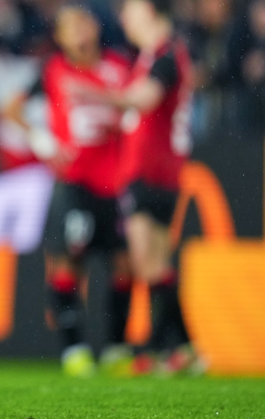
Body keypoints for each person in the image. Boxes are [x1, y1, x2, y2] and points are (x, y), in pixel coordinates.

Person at [4, 4, 133, 377]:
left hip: (114, 182)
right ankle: (74, 350)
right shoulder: (52, 70)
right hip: (74, 181)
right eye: (68, 27)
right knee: (67, 264)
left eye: (82, 23)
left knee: (123, 265)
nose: (78, 32)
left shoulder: (119, 67)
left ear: (94, 27)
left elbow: (136, 109)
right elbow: (11, 110)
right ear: (59, 37)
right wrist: (41, 139)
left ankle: (115, 348)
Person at [88, 0, 199, 374]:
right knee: (157, 265)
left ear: (151, 11)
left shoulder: (165, 57)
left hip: (151, 172)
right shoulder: (157, 56)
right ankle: (182, 348)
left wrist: (95, 95)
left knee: (146, 263)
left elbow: (145, 98)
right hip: (162, 171)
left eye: (130, 10)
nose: (124, 19)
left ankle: (161, 347)